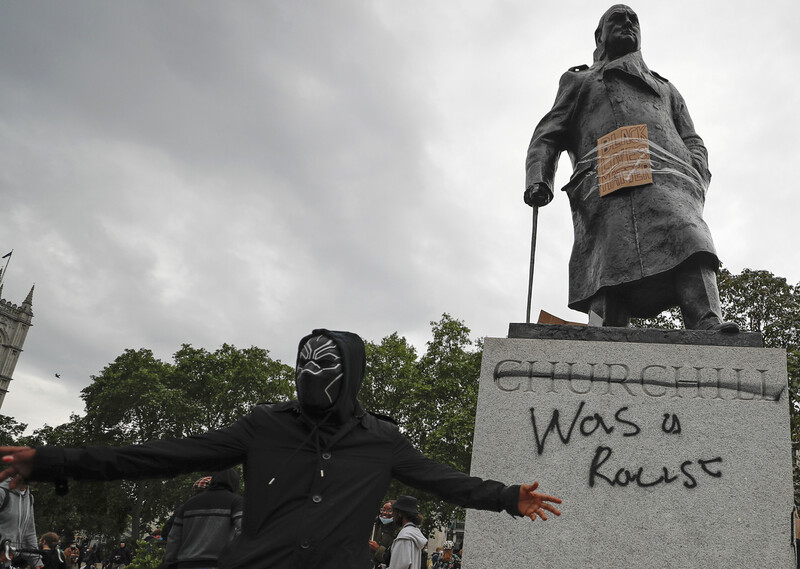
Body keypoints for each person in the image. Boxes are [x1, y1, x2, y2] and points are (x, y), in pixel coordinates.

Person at [0, 329, 561, 569]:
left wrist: (509, 497)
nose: (309, 375)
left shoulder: (381, 440)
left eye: (324, 367)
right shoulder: (263, 427)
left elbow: (444, 481)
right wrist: (50, 459)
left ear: (352, 374)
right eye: (303, 364)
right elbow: (160, 454)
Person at [524, 4, 738, 332]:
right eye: (618, 20)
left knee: (691, 238)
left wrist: (696, 171)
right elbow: (547, 135)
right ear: (600, 35)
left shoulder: (665, 88)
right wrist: (539, 178)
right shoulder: (580, 82)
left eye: (633, 20)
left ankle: (707, 320)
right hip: (607, 180)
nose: (627, 24)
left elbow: (692, 138)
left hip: (669, 181)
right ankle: (604, 329)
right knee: (606, 264)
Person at [164, 469, 243, 569]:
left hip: (186, 564)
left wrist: (170, 562)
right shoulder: (236, 502)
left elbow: (174, 537)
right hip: (218, 563)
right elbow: (244, 530)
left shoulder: (188, 504)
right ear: (235, 483)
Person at [0, 480, 41, 569]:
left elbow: (29, 532)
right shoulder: (2, 492)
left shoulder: (29, 498)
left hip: (7, 561)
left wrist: (36, 561)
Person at [386, 496, 425, 569]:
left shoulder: (404, 536)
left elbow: (399, 566)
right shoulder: (414, 532)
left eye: (394, 511)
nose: (393, 515)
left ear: (400, 513)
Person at [368, 501, 398, 568]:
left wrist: (378, 549)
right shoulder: (375, 525)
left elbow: (395, 558)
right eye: (383, 510)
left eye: (390, 511)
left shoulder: (398, 532)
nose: (385, 513)